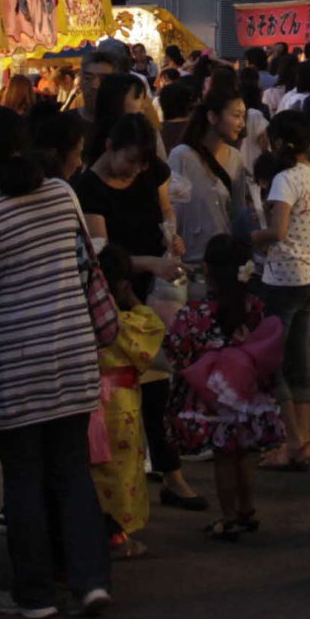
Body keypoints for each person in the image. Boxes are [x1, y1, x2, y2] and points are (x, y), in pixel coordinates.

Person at [0, 105, 113, 619]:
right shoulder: (62, 193)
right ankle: (90, 581)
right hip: (72, 350)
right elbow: (82, 260)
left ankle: (34, 593)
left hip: (14, 359)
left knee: (22, 476)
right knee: (72, 469)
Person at [73, 115, 205, 511]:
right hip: (112, 299)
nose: (136, 171)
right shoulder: (87, 188)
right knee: (128, 393)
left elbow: (167, 211)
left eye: (143, 164)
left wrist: (172, 237)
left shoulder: (152, 173)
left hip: (153, 291)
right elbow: (102, 255)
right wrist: (151, 263)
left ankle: (170, 474)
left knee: (158, 385)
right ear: (110, 147)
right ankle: (132, 485)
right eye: (130, 161)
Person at [165, 234, 288, 541]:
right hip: (248, 393)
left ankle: (229, 516)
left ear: (207, 269)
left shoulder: (196, 313)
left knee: (224, 456)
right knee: (244, 452)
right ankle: (247, 510)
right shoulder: (255, 307)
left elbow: (177, 349)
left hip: (214, 395)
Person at [251, 109, 310, 472]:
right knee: (299, 362)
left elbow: (278, 231)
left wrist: (247, 238)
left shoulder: (284, 180)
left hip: (282, 278)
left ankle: (292, 442)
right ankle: (305, 442)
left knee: (277, 365)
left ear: (281, 142)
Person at [91, 244, 167, 557]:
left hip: (87, 404)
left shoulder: (82, 319)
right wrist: (133, 299)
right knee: (122, 475)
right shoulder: (127, 323)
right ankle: (118, 536)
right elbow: (153, 328)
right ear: (122, 285)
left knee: (93, 472)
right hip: (120, 406)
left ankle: (93, 528)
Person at [170, 85, 256, 264]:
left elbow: (238, 211)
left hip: (224, 261)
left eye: (243, 116)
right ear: (212, 117)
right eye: (236, 116)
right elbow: (171, 210)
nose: (242, 124)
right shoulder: (182, 156)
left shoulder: (236, 158)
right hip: (190, 262)